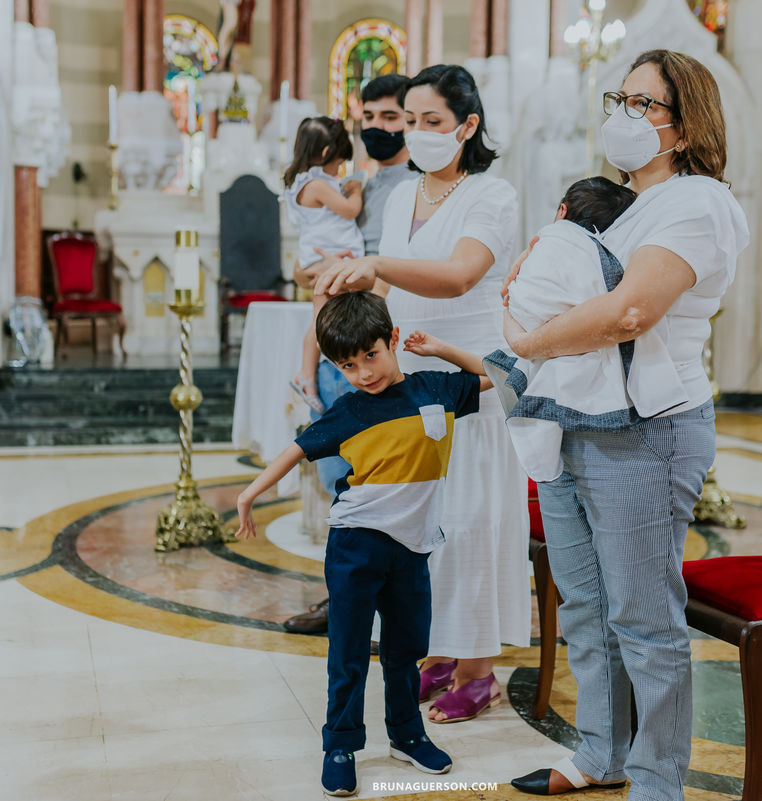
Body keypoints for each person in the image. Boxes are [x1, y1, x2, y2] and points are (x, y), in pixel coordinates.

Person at [502, 50, 748, 798]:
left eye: (646, 104)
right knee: (585, 601)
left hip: (646, 430)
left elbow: (629, 312)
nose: (626, 115)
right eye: (622, 98)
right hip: (577, 419)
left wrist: (527, 338)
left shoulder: (697, 202)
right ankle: (603, 751)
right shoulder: (625, 202)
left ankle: (656, 781)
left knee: (644, 620)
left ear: (685, 123)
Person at [315, 64, 530, 725]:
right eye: (411, 120)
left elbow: (461, 275)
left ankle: (478, 669)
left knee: (470, 521)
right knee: (423, 527)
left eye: (433, 121)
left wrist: (376, 264)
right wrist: (357, 315)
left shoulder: (493, 195)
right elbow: (391, 286)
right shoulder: (404, 192)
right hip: (411, 380)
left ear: (467, 126)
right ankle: (441, 648)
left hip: (469, 377)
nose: (419, 132)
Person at [234, 291, 490, 796]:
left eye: (370, 356)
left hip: (413, 547)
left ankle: (408, 736)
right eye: (347, 365)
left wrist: (441, 349)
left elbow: (508, 373)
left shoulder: (437, 389)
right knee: (348, 651)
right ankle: (340, 745)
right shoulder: (348, 410)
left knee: (406, 648)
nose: (364, 373)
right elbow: (294, 450)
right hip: (356, 544)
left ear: (393, 340)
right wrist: (248, 494)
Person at [284, 73, 413, 636]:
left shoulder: (417, 185)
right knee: (345, 480)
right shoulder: (353, 183)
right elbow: (302, 266)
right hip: (344, 345)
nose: (379, 128)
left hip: (373, 347)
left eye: (393, 118)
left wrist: (360, 325)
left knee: (376, 484)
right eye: (371, 119)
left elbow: (396, 269)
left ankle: (375, 604)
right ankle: (346, 602)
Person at [486, 176, 691, 483]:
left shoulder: (549, 243)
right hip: (592, 383)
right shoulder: (600, 253)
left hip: (532, 340)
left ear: (561, 211)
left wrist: (520, 327)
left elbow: (523, 301)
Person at [284, 115, 364, 413]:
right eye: (340, 162)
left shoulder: (304, 182)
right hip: (325, 260)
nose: (339, 170)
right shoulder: (316, 184)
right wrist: (355, 190)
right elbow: (348, 210)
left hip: (324, 258)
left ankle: (309, 376)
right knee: (322, 324)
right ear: (327, 153)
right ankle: (306, 377)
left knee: (324, 321)